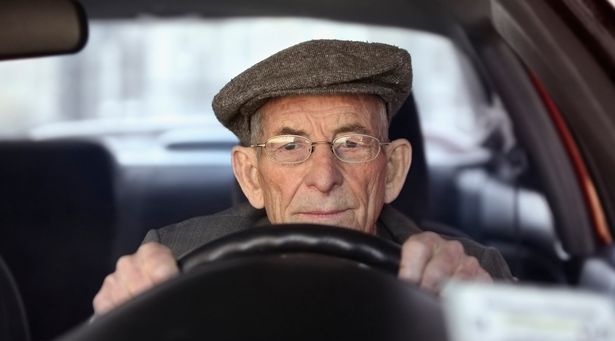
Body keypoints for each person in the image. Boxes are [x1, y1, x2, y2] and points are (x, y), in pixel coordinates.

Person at [93, 39, 513, 315]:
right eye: (289, 147)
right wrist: (109, 326)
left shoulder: (468, 271)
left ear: (393, 170)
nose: (324, 177)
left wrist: (487, 315)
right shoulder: (173, 259)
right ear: (251, 177)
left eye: (351, 143)